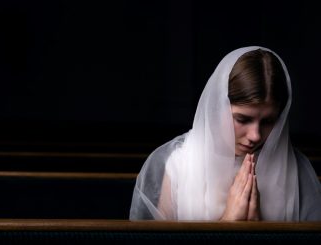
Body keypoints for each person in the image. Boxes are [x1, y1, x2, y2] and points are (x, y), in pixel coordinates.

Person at [129, 46, 321, 221]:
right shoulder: (177, 165)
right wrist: (228, 224)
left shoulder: (297, 169)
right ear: (216, 107)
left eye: (268, 121)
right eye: (242, 119)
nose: (255, 135)